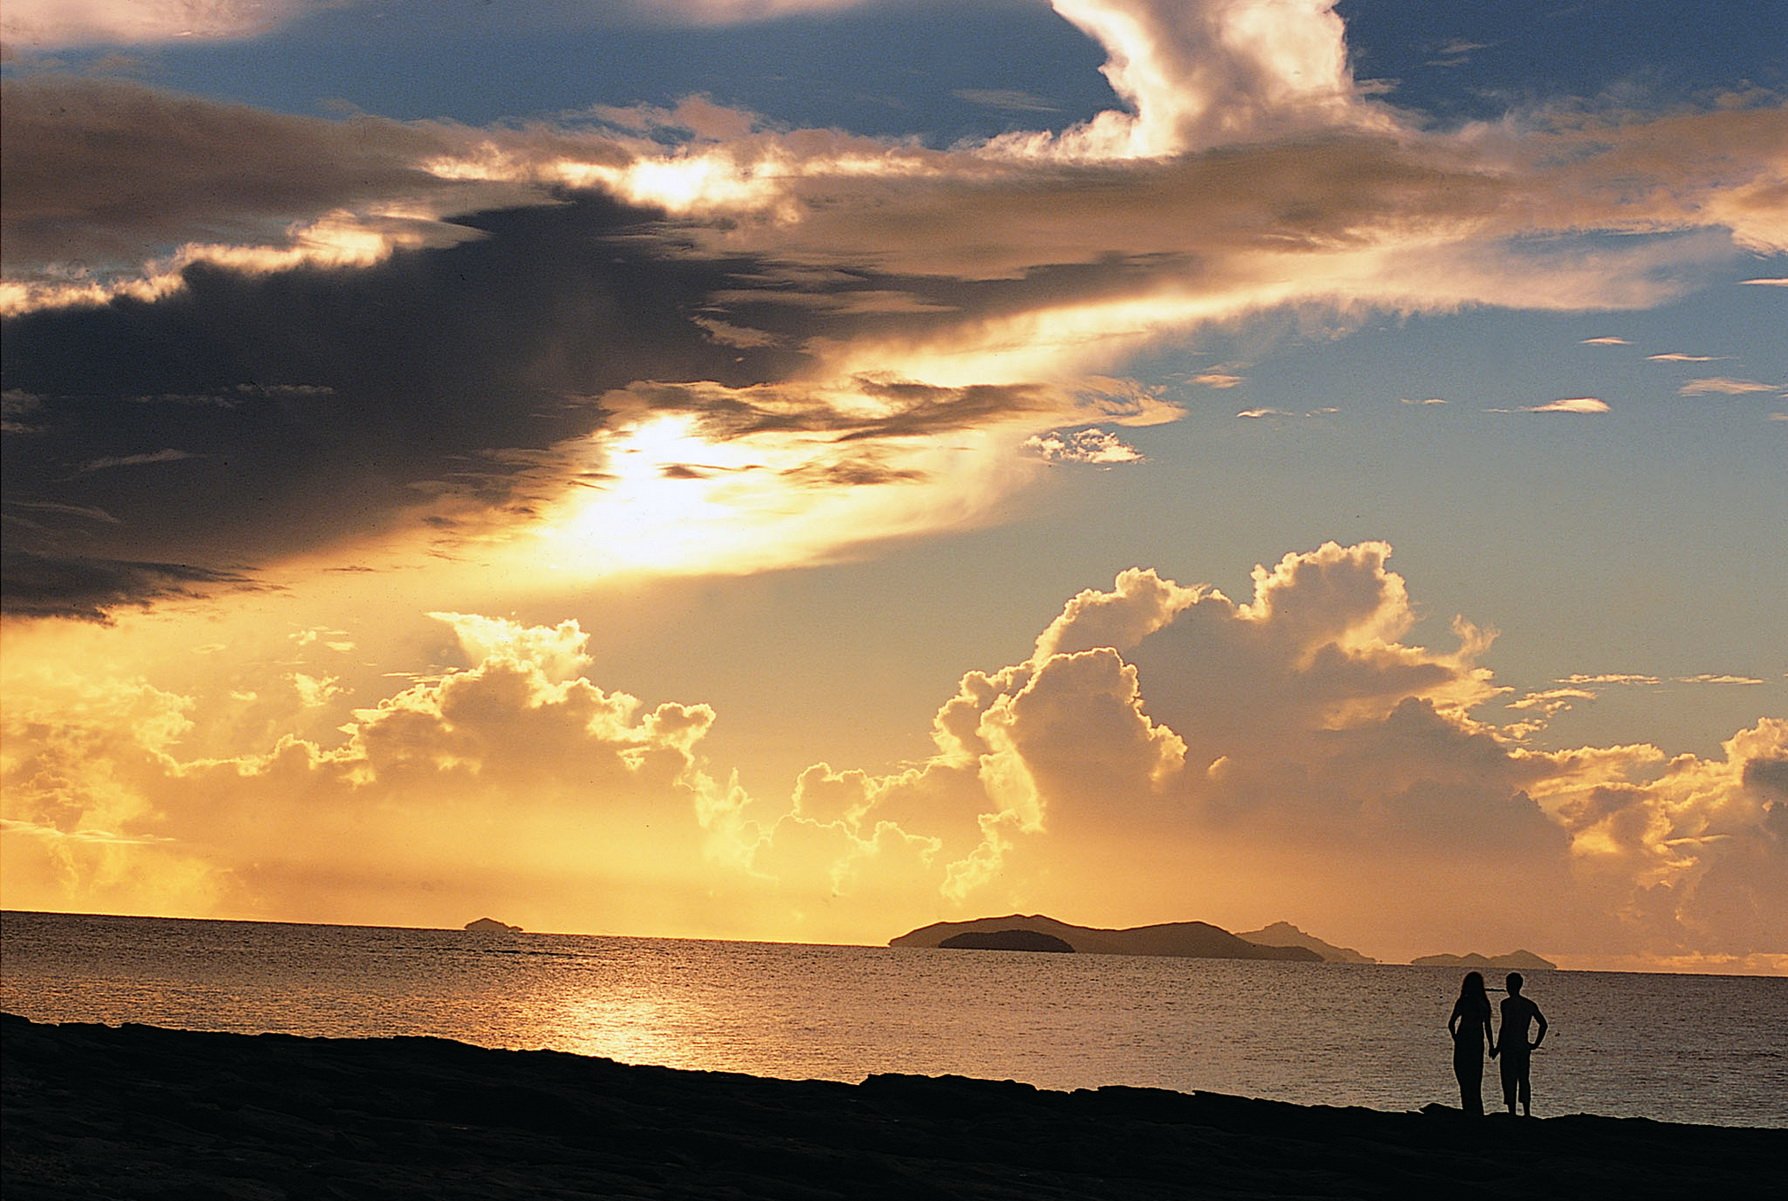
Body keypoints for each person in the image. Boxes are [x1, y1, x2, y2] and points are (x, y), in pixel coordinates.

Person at [1492, 971, 1548, 1116]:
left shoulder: (1506, 1004)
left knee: (1509, 1078)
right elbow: (1543, 1024)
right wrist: (1535, 1044)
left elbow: (1505, 1027)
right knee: (1523, 1078)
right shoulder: (1529, 1004)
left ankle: (1512, 1112)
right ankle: (1526, 1112)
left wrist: (1497, 1048)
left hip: (1509, 1046)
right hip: (1523, 1046)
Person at [1447, 971, 1494, 1115]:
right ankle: (1477, 1111)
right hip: (1477, 1042)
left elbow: (1451, 1023)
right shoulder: (1483, 1003)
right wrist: (1492, 1045)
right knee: (1475, 1079)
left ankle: (1467, 1109)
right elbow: (1487, 1027)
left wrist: (1456, 1039)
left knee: (1463, 1078)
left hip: (1463, 1040)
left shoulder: (1463, 1001)